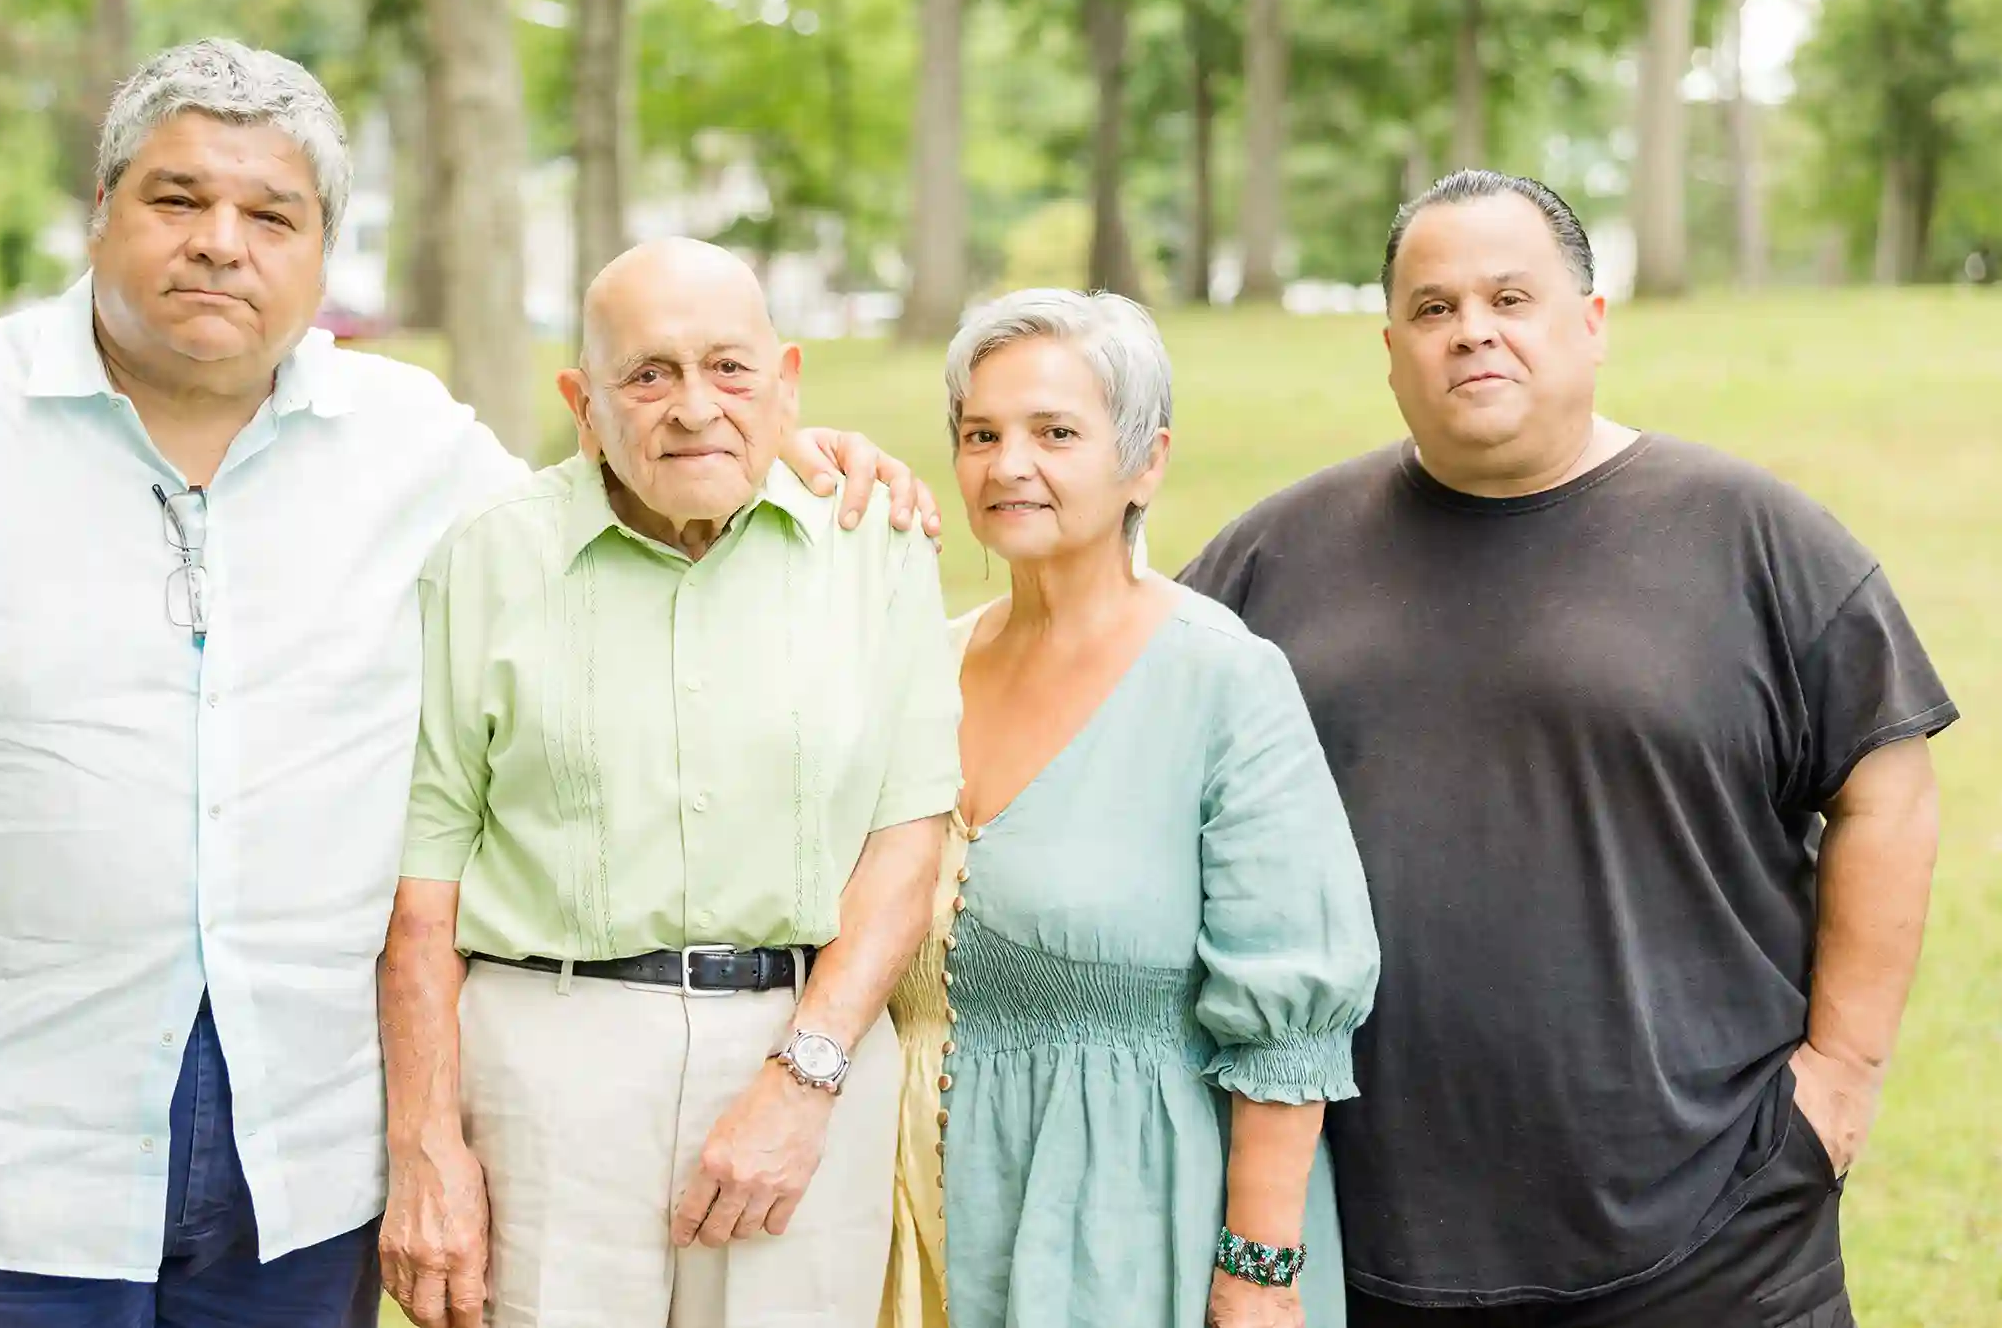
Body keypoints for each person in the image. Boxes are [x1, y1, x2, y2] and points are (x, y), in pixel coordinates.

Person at [0, 41, 934, 1325]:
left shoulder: (413, 446)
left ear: (322, 253)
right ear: (103, 211)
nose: (221, 243)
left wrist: (785, 447)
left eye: (271, 214)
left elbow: (618, 484)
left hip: (297, 1153)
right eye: (178, 199)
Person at [1178, 171, 1957, 1327]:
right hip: (1366, 1232)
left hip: (1714, 1234)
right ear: (1390, 349)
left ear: (1590, 323)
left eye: (1510, 297)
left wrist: (1839, 1082)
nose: (1472, 332)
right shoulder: (1269, 563)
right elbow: (1092, 681)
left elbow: (1887, 787)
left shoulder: (1754, 540)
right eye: (1434, 309)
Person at [379, 237, 961, 1328]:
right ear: (584, 400)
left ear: (786, 381)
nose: (694, 407)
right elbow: (425, 894)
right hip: (551, 1065)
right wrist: (426, 1148)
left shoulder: (875, 544)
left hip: (807, 1055)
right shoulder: (488, 561)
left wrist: (806, 1077)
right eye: (648, 375)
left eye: (729, 369)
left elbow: (907, 840)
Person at [882, 288, 1380, 1328]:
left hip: (1132, 1223)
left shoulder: (1224, 683)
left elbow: (1291, 1016)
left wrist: (1258, 1273)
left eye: (1055, 432)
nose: (1008, 463)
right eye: (981, 433)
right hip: (911, 1227)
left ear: (1146, 462)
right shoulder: (918, 669)